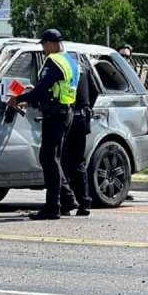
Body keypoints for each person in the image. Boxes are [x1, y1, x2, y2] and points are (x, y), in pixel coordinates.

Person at [8, 28, 79, 220]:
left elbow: (42, 90)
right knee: (53, 158)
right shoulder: (71, 61)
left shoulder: (54, 61)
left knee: (48, 158)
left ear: (52, 43)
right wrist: (31, 97)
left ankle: (52, 207)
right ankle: (67, 199)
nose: (43, 49)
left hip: (55, 114)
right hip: (66, 111)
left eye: (44, 45)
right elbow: (52, 89)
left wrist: (19, 97)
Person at [60, 60, 96, 217]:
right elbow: (94, 90)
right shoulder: (83, 67)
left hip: (68, 117)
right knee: (79, 162)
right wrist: (86, 106)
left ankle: (66, 203)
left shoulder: (61, 66)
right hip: (82, 117)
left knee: (62, 161)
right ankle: (84, 202)